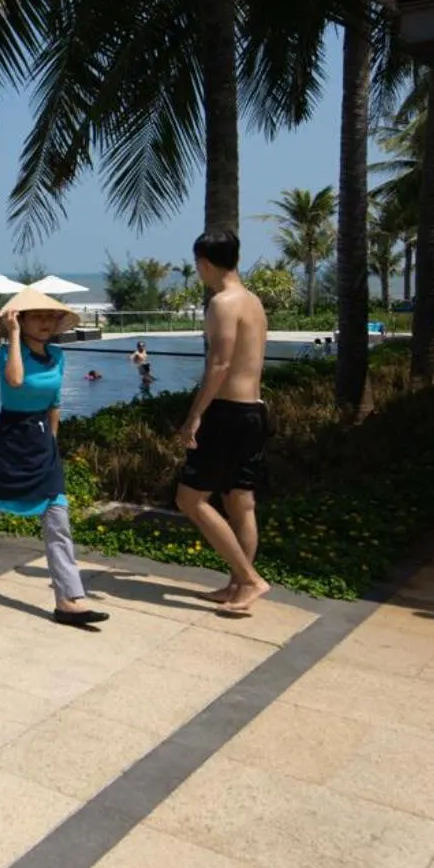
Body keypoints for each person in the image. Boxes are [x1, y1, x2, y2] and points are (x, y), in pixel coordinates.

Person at [0, 290, 109, 626]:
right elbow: (16, 380)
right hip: (9, 441)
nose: (47, 323)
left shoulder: (58, 356)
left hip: (41, 444)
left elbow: (54, 402)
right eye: (37, 317)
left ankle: (69, 600)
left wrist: (52, 445)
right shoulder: (7, 352)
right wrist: (13, 335)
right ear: (20, 320)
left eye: (51, 317)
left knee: (58, 519)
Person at [176, 230, 272, 614]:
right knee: (240, 502)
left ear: (203, 263)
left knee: (190, 499)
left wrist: (194, 415)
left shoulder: (222, 303)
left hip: (227, 413)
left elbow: (219, 363)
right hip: (253, 411)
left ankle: (249, 579)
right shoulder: (253, 301)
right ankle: (238, 586)